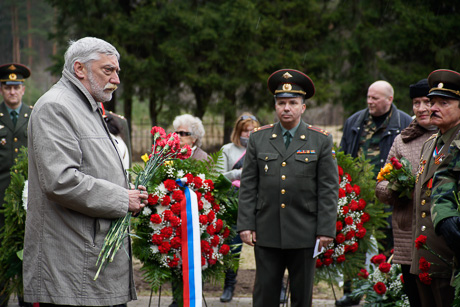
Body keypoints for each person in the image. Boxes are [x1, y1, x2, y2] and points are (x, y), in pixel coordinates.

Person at [23, 37, 148, 306]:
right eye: (107, 70)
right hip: (74, 268)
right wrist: (121, 199)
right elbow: (61, 181)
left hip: (88, 265)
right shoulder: (56, 106)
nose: (116, 79)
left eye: (117, 71)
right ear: (79, 69)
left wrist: (130, 193)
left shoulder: (85, 105)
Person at [237, 68, 339, 307]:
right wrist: (246, 225)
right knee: (264, 295)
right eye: (281, 102)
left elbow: (328, 189)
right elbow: (249, 185)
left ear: (303, 107)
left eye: (293, 102)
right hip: (267, 229)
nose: (286, 108)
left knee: (302, 297)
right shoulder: (258, 138)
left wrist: (325, 230)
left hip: (304, 230)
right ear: (275, 106)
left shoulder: (320, 140)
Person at [338, 80, 412, 306]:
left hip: (387, 197)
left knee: (387, 247)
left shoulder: (404, 123)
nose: (369, 101)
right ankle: (351, 293)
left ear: (389, 99)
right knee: (353, 245)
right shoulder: (355, 121)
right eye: (368, 97)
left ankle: (385, 293)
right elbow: (342, 156)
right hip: (357, 197)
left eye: (375, 98)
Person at [375, 78, 435, 307]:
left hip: (438, 239)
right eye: (416, 102)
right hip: (407, 238)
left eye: (427, 102)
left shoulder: (451, 139)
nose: (421, 109)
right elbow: (380, 187)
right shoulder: (403, 140)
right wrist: (398, 187)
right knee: (415, 299)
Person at [414, 69, 460, 307]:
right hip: (425, 255)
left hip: (450, 258)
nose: (433, 108)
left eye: (444, 102)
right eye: (432, 102)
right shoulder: (431, 143)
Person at [218, 112, 260, 302]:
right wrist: (238, 174)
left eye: (252, 131)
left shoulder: (264, 147)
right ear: (238, 131)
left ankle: (278, 286)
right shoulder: (228, 149)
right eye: (245, 131)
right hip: (233, 200)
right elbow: (219, 178)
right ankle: (229, 286)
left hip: (259, 200)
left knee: (266, 247)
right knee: (232, 246)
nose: (249, 134)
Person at [0, 63, 32, 307]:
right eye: (7, 87)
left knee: (26, 252)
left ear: (23, 89)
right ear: (2, 90)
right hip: (0, 198)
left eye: (16, 87)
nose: (12, 92)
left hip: (27, 198)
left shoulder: (33, 116)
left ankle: (26, 300)